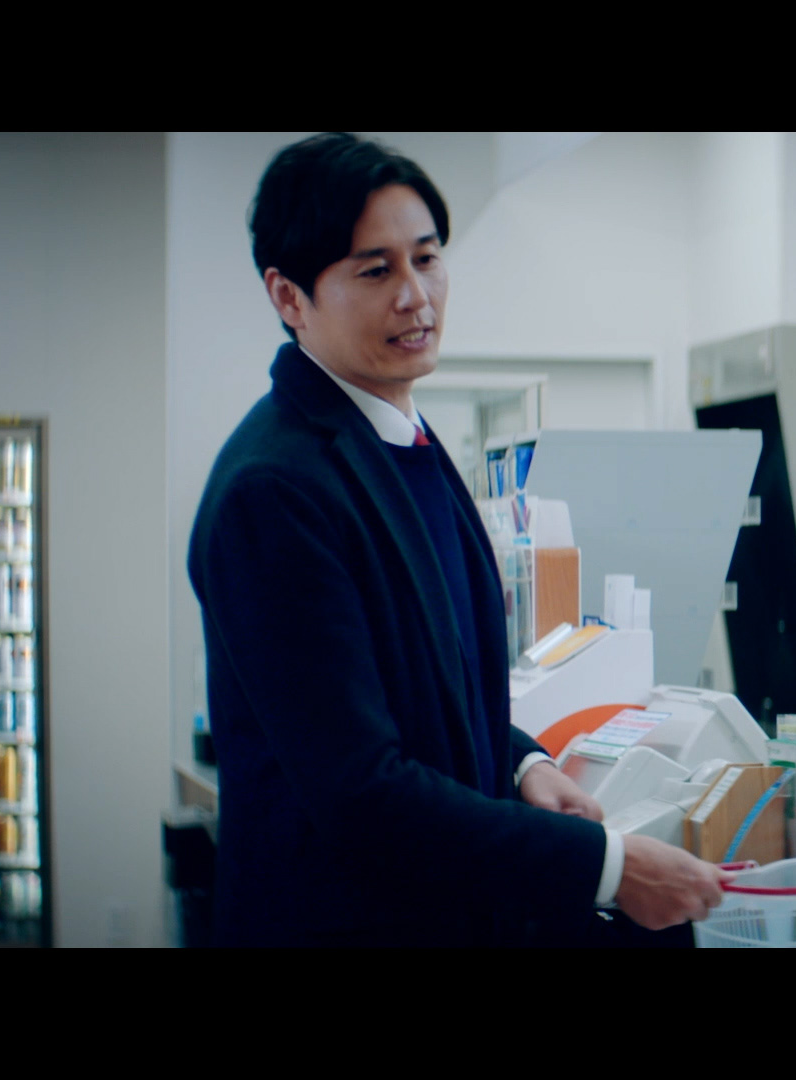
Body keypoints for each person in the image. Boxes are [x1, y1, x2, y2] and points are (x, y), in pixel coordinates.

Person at [188, 133, 729, 946]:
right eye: (376, 271)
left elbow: (434, 687)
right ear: (289, 296)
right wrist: (611, 867)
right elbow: (361, 792)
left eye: (427, 258)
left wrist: (522, 763)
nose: (416, 296)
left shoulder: (401, 436)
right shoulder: (275, 490)